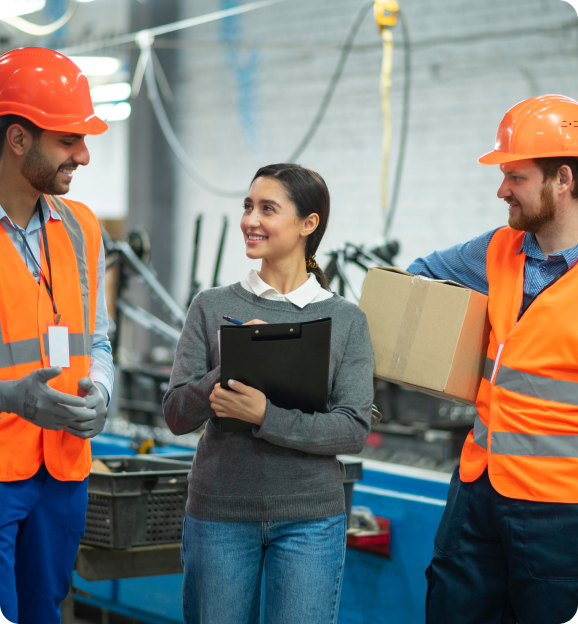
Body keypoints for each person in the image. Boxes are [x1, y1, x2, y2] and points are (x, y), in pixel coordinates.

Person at [164, 163, 374, 624]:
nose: (250, 220)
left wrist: (265, 416)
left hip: (310, 521)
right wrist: (232, 366)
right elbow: (177, 414)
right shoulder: (211, 306)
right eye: (247, 206)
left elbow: (352, 428)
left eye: (267, 209)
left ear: (307, 224)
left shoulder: (346, 320)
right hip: (219, 515)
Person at [407, 95, 578, 624]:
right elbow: (416, 280)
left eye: (517, 177)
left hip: (560, 508)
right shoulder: (498, 249)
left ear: (563, 180)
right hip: (476, 487)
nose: (501, 189)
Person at [0, 48, 114, 624]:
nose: (85, 155)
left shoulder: (81, 227)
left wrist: (101, 393)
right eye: (69, 139)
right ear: (19, 139)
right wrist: (10, 397)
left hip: (63, 471)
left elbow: (95, 339)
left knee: (43, 613)